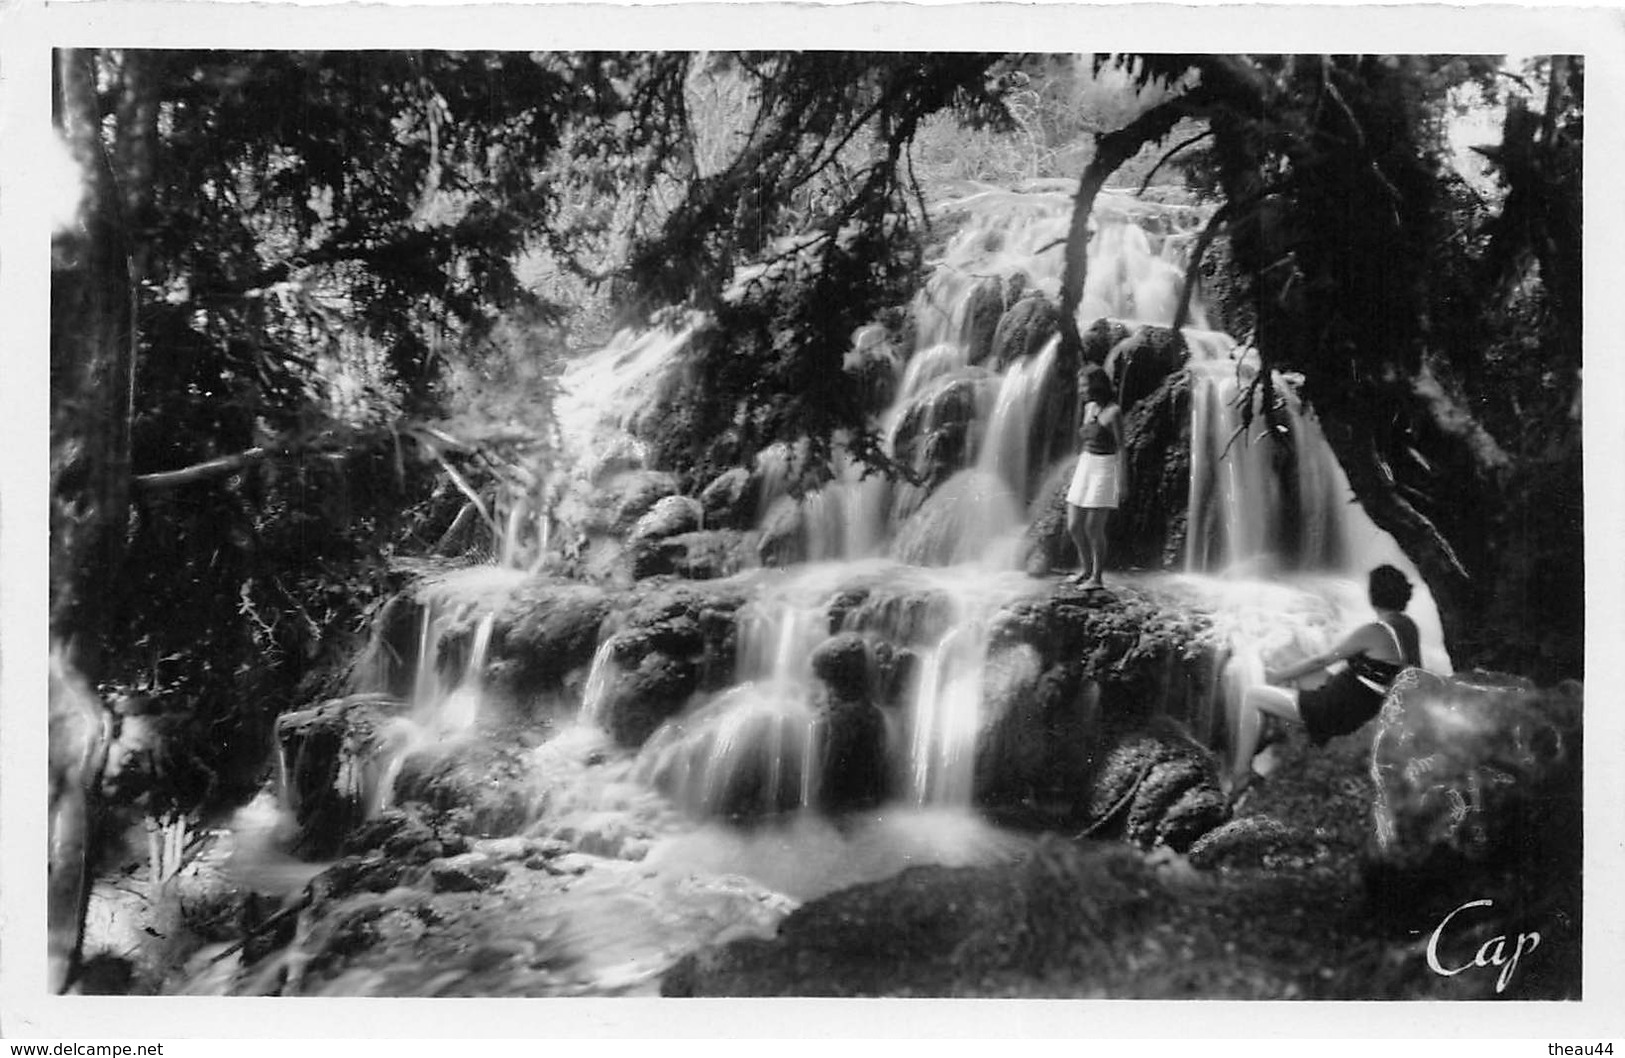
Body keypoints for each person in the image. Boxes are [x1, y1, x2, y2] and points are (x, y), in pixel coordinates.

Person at [1224, 564, 1424, 801]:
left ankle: (1241, 773)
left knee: (1254, 696)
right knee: (1299, 670)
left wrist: (1278, 676)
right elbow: (1414, 673)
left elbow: (1322, 659)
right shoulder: (1408, 627)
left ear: (1373, 595)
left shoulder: (1374, 631)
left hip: (1337, 709)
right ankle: (1269, 729)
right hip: (1361, 700)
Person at [1065, 365, 1124, 591]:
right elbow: (1085, 438)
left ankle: (1097, 578)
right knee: (1073, 525)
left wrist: (1122, 480)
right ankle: (1085, 569)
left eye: (1083, 385)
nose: (1080, 390)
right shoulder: (1089, 407)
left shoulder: (1114, 412)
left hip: (1105, 467)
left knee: (1093, 527)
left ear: (1096, 386)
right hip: (1086, 464)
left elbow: (1121, 448)